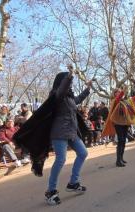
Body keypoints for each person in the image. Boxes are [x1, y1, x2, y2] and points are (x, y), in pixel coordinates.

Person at [44, 65, 92, 205]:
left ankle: (73, 182)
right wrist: (70, 75)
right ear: (62, 82)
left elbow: (78, 99)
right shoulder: (56, 95)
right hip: (59, 132)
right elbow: (62, 89)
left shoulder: (69, 98)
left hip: (71, 131)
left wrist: (88, 89)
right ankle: (50, 191)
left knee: (83, 153)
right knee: (60, 160)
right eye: (68, 82)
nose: (70, 85)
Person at [102, 88, 135, 167]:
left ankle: (121, 158)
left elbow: (132, 100)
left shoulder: (125, 101)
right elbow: (119, 98)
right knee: (120, 140)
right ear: (114, 94)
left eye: (119, 92)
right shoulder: (115, 101)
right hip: (117, 123)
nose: (119, 93)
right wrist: (123, 91)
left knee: (123, 141)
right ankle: (118, 161)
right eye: (117, 92)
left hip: (125, 123)